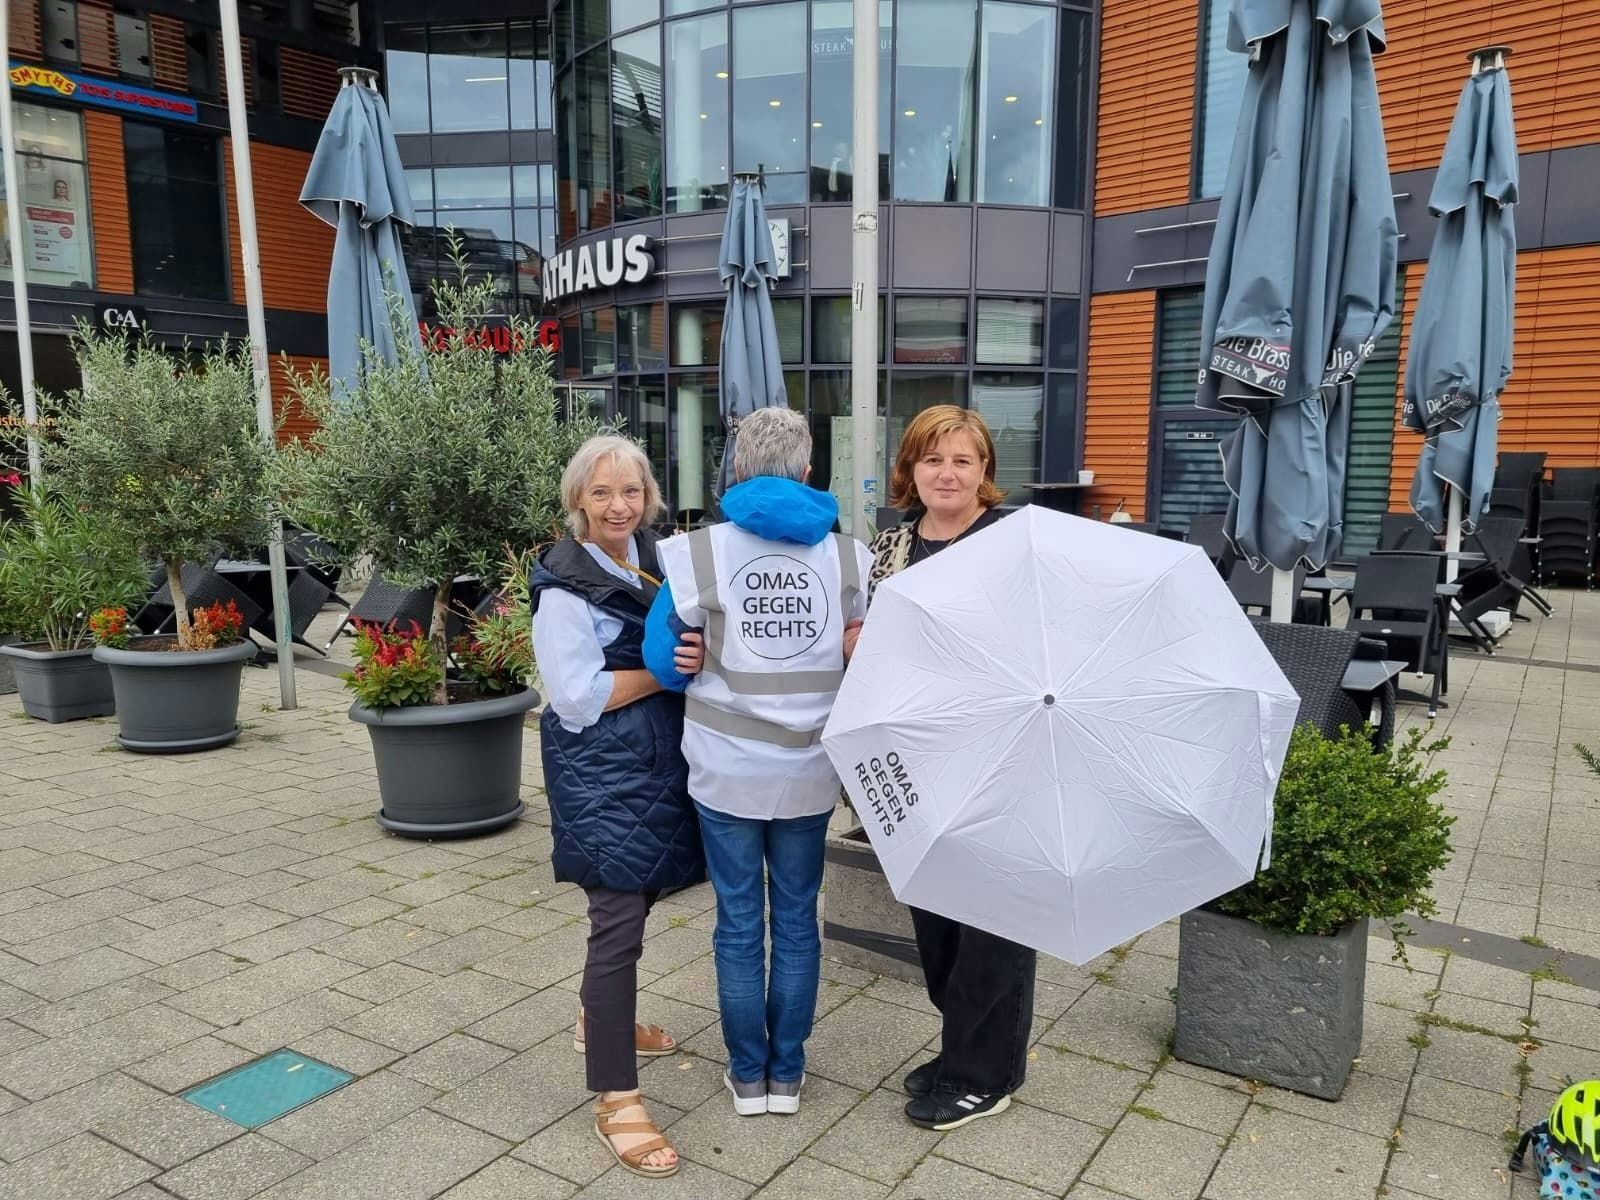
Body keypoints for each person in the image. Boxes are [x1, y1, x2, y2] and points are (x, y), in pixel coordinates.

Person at [643, 406, 871, 1117]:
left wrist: (687, 657)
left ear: (736, 470)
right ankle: (788, 1076)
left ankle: (747, 1078)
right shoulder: (849, 558)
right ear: (810, 472)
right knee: (797, 920)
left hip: (724, 770)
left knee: (739, 922)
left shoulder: (696, 553)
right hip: (807, 773)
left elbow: (660, 661)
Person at [529, 435, 705, 1180]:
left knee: (648, 889)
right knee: (618, 921)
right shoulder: (566, 585)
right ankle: (616, 1096)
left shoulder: (659, 557)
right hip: (602, 771)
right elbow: (575, 696)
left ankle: (596, 1021)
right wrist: (665, 675)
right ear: (578, 501)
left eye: (630, 491)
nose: (618, 505)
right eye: (601, 493)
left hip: (659, 765)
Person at [863, 404, 1036, 1130]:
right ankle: (965, 1043)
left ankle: (984, 1073)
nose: (947, 472)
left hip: (1000, 759)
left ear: (985, 472)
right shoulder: (891, 546)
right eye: (934, 459)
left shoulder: (1014, 543)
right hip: (916, 761)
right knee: (936, 920)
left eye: (963, 460)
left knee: (992, 922)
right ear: (912, 467)